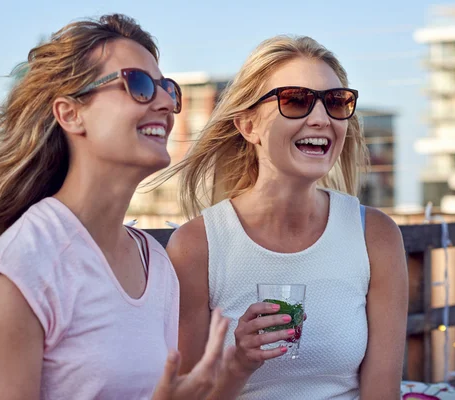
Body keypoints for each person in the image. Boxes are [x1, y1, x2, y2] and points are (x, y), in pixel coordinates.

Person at [0, 14, 235, 400]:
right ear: (70, 114)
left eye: (169, 89)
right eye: (139, 84)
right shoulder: (26, 267)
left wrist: (236, 372)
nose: (168, 103)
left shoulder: (156, 264)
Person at [164, 35, 409, 399]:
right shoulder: (197, 245)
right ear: (248, 125)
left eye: (336, 102)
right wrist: (238, 364)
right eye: (296, 101)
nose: (321, 118)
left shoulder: (375, 235)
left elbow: (381, 392)